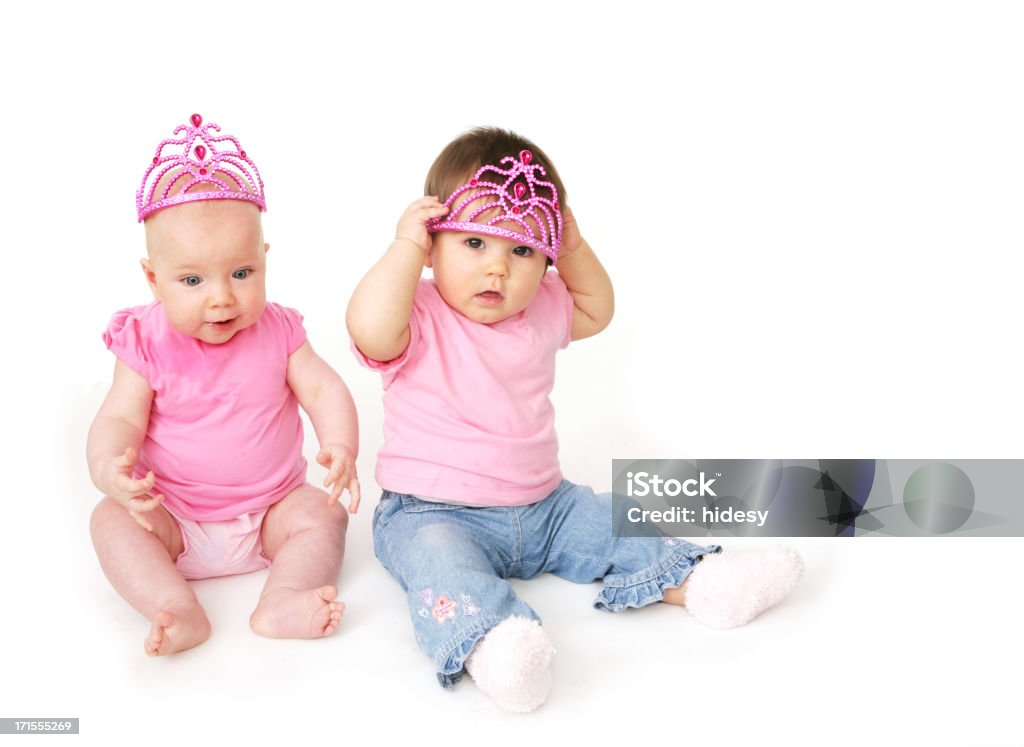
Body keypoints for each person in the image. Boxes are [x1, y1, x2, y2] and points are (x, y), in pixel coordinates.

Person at [348, 127, 803, 712]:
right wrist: (403, 250)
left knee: (611, 517)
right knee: (440, 564)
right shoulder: (416, 311)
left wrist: (576, 246)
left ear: (547, 257)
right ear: (434, 242)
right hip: (432, 510)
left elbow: (598, 307)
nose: (498, 269)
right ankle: (496, 641)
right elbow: (367, 328)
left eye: (523, 250)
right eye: (474, 243)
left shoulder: (542, 307)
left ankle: (703, 582)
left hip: (545, 506)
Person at [88, 113, 360, 656]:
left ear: (263, 260)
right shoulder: (144, 340)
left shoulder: (279, 330)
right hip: (174, 518)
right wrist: (109, 468)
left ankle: (284, 596)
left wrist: (341, 445)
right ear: (153, 279)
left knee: (322, 514)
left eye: (241, 273)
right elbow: (120, 417)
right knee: (111, 521)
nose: (222, 297)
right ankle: (175, 605)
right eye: (192, 280)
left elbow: (324, 389)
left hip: (270, 516)